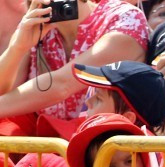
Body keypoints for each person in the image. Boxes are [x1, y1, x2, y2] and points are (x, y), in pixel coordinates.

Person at [0, 0, 149, 121]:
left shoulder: (124, 18)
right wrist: (17, 48)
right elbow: (2, 92)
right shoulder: (34, 26)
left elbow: (62, 85)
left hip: (105, 149)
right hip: (44, 150)